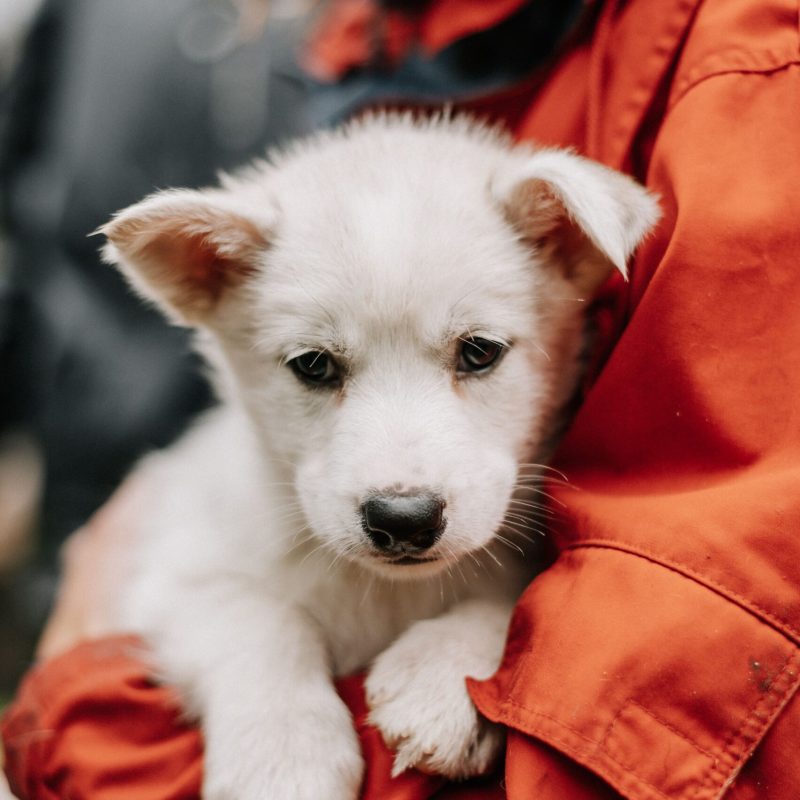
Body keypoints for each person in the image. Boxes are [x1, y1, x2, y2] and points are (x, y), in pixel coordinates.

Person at [4, 0, 800, 797]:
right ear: (203, 277)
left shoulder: (731, 60)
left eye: (477, 354)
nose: (402, 483)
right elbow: (177, 595)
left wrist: (484, 636)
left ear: (568, 252)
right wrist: (265, 689)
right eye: (317, 367)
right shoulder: (382, 45)